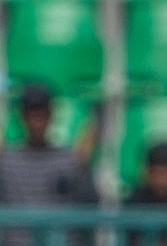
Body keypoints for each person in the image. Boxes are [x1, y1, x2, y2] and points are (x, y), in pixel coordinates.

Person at [0, 83, 100, 246]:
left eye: (42, 114)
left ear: (51, 115)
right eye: (31, 114)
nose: (36, 121)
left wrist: (84, 167)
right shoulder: (5, 161)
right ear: (21, 116)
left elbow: (91, 203)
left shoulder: (71, 160)